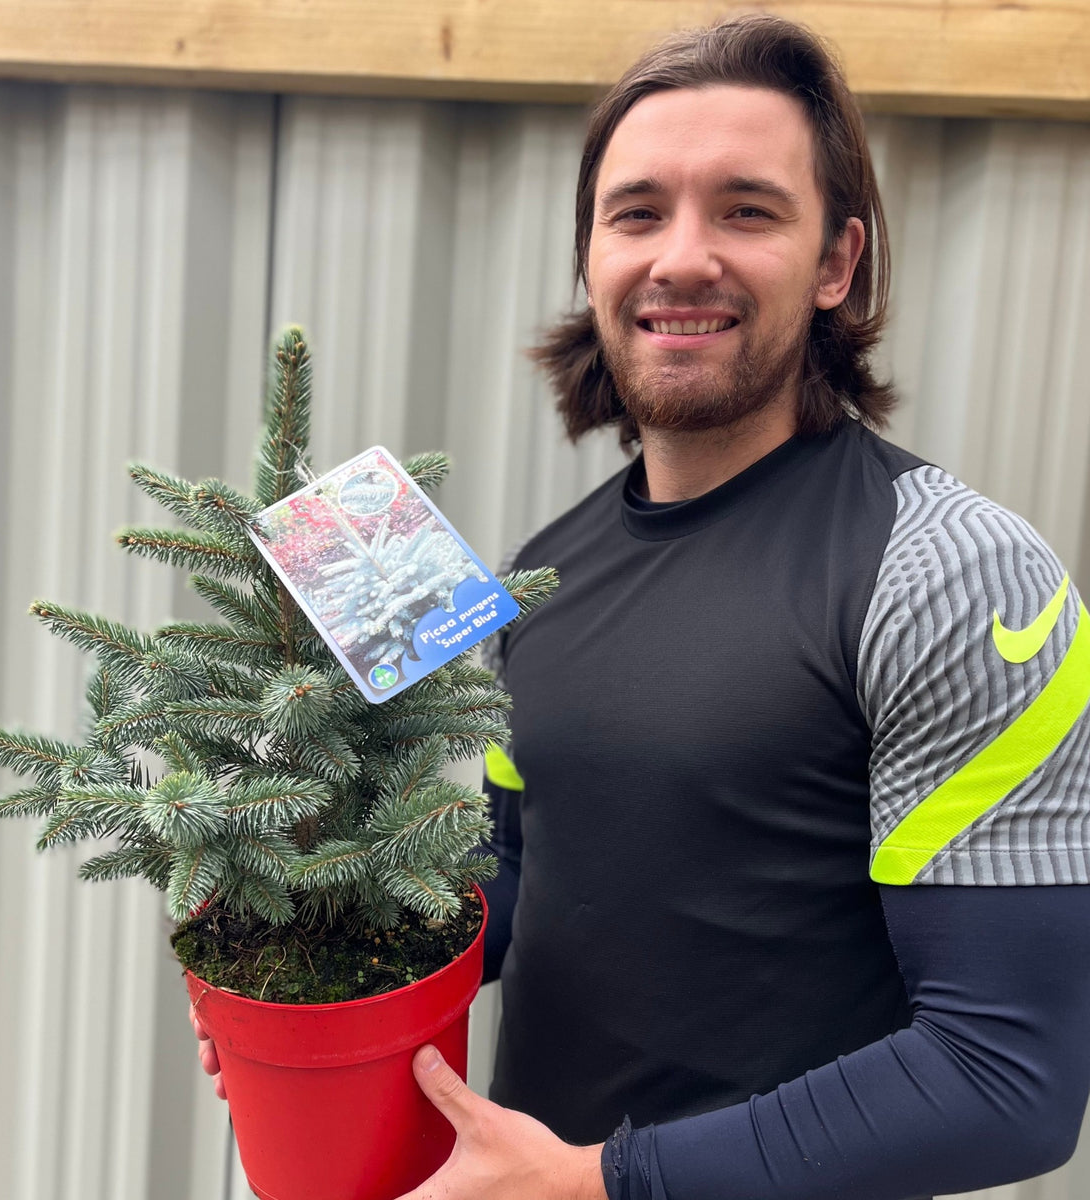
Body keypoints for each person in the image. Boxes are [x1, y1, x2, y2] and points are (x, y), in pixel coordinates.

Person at [194, 14, 1090, 1198]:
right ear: (592, 258)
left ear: (836, 263)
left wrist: (603, 1180)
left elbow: (1006, 1079)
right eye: (638, 213)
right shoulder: (542, 574)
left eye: (747, 210)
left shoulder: (954, 574)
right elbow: (528, 876)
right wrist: (310, 957)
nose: (681, 257)